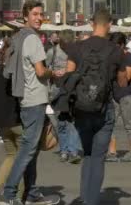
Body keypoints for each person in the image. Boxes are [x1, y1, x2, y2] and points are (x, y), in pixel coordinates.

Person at [0, 1, 61, 205]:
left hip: (25, 98)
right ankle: (9, 194)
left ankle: (32, 193)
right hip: (34, 98)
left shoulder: (18, 37)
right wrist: (54, 73)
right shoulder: (33, 39)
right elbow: (41, 71)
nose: (38, 17)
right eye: (34, 14)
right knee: (28, 149)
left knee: (31, 149)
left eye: (41, 14)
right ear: (25, 16)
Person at [66, 9, 126, 205]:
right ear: (108, 24)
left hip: (82, 108)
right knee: (98, 157)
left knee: (88, 154)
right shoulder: (116, 50)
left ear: (92, 24)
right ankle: (91, 201)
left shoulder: (77, 48)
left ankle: (85, 198)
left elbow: (68, 77)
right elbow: (123, 82)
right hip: (104, 108)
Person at [0, 38, 24, 204]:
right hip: (15, 119)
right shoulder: (13, 73)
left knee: (11, 155)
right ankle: (17, 195)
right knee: (23, 158)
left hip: (1, 121)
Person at [47, 30, 81, 164]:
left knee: (72, 122)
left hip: (73, 90)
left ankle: (73, 151)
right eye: (65, 44)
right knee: (60, 123)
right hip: (57, 90)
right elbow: (44, 70)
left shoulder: (77, 52)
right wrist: (54, 73)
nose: (67, 46)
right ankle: (64, 150)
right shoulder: (52, 52)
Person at [108, 32, 131, 163]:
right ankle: (112, 152)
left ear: (122, 45)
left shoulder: (128, 58)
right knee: (111, 124)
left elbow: (126, 78)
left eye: (115, 46)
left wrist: (114, 69)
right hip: (115, 94)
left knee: (128, 124)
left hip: (127, 95)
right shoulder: (113, 57)